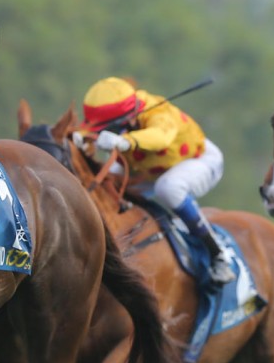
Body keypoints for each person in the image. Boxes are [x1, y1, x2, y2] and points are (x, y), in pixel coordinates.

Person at [80, 76, 235, 285]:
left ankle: (217, 254)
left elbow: (161, 137)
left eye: (107, 129)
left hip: (197, 160)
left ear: (128, 118)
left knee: (169, 188)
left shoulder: (158, 112)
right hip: (148, 170)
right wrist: (78, 139)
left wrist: (125, 141)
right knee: (106, 189)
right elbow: (84, 131)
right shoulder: (121, 116)